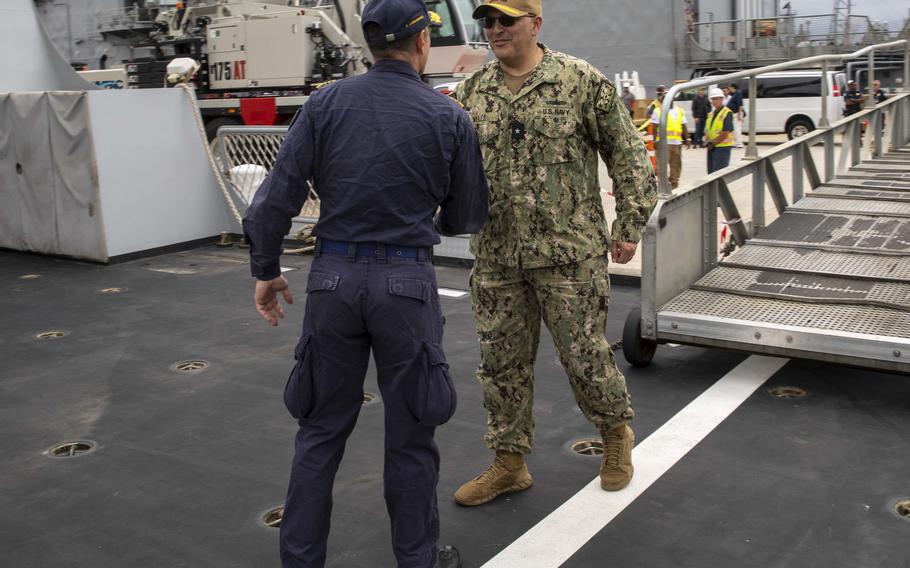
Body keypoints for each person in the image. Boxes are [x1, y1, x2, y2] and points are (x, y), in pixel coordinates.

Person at [242, 1, 489, 566]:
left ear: (372, 43)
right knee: (411, 432)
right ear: (422, 43)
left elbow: (272, 200)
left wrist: (266, 271)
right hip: (406, 282)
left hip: (332, 278)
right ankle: (417, 558)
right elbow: (466, 216)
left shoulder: (325, 103)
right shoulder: (448, 116)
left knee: (320, 431)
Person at [451, 0, 657, 507]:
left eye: (506, 21)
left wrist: (629, 225)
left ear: (534, 24)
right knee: (500, 364)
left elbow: (629, 155)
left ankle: (615, 437)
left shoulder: (578, 80)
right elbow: (448, 168)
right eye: (488, 23)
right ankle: (509, 463)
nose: (495, 31)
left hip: (570, 255)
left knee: (585, 357)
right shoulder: (470, 94)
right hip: (498, 256)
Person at [651, 91, 687, 189]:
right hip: (663, 144)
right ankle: (662, 186)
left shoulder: (679, 110)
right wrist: (655, 141)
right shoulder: (658, 111)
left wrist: (687, 138)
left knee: (676, 166)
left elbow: (683, 125)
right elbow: (654, 127)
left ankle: (674, 186)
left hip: (676, 144)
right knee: (662, 167)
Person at [705, 87, 734, 173]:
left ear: (722, 99)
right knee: (711, 174)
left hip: (722, 148)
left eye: (716, 99)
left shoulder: (727, 113)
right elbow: (708, 130)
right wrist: (707, 141)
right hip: (712, 147)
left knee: (719, 174)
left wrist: (713, 143)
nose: (714, 101)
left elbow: (725, 133)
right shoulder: (711, 114)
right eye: (713, 99)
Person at [726, 83, 744, 148]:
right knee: (734, 129)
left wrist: (739, 114)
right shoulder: (733, 94)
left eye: (729, 87)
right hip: (733, 114)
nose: (729, 89)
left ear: (733, 87)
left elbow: (740, 105)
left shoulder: (738, 93)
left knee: (737, 129)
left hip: (737, 113)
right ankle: (736, 143)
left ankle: (739, 143)